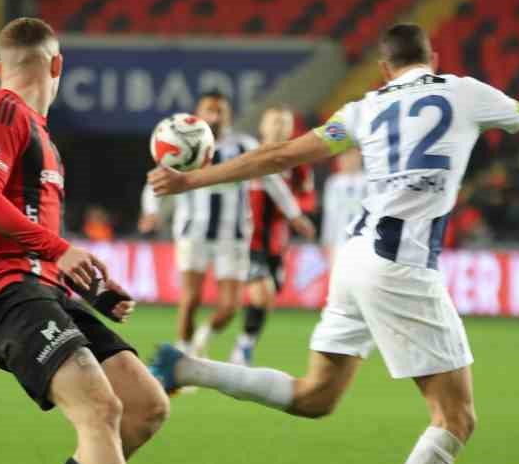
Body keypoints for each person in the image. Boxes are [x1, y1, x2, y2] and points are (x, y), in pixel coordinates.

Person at [146, 25, 519, 464]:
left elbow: (282, 156)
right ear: (432, 57)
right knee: (455, 417)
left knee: (317, 396)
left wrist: (192, 183)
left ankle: (189, 368)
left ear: (384, 70)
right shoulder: (465, 91)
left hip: (353, 258)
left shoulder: (364, 108)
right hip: (402, 266)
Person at [0, 17, 211, 464]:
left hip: (43, 290)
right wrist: (59, 249)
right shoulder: (2, 113)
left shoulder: (41, 136)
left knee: (145, 406)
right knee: (99, 408)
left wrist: (88, 290)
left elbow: (28, 230)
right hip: (4, 294)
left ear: (3, 66)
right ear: (58, 65)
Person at [138, 91, 310, 357]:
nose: (216, 116)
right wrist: (151, 211)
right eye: (210, 110)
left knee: (230, 306)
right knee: (191, 299)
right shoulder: (182, 143)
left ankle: (201, 340)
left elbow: (271, 179)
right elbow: (156, 181)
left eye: (221, 111)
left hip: (233, 236)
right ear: (198, 112)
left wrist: (294, 214)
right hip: (192, 232)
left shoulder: (243, 145)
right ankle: (182, 354)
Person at [235, 105, 317, 365]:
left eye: (285, 123)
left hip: (277, 242)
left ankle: (246, 341)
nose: (279, 128)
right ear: (262, 126)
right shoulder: (248, 156)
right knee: (262, 293)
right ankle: (243, 348)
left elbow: (307, 197)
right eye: (274, 122)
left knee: (270, 296)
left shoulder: (298, 163)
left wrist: (297, 212)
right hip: (247, 239)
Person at [320, 147, 367, 270]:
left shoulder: (368, 181)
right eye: (345, 156)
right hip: (339, 240)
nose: (349, 160)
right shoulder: (333, 182)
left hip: (363, 241)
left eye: (352, 156)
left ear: (359, 157)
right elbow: (329, 215)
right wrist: (327, 241)